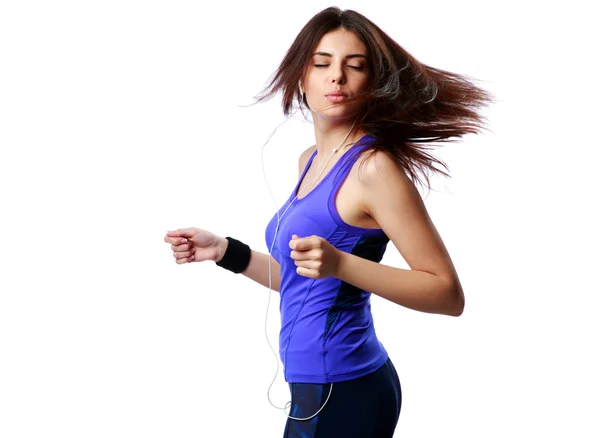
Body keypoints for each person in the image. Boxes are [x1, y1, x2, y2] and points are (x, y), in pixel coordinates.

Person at [164, 6, 493, 437]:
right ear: (301, 75)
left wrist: (341, 264)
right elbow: (307, 283)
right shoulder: (311, 160)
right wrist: (228, 253)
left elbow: (447, 294)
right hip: (319, 387)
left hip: (345, 387)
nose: (336, 77)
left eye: (354, 66)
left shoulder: (373, 169)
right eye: (322, 64)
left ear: (372, 82)